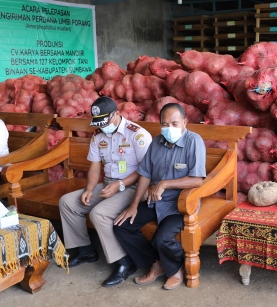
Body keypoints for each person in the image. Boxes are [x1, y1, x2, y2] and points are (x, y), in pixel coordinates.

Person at [59, 96, 153, 287]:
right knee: (67, 202)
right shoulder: (98, 135)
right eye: (99, 124)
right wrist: (89, 189)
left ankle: (125, 263)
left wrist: (120, 185)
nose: (103, 127)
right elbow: (95, 166)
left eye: (106, 122)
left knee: (99, 214)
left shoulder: (137, 134)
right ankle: (86, 251)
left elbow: (146, 169)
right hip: (109, 183)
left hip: (134, 187)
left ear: (117, 114)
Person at [113, 103, 206, 290]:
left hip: (181, 204)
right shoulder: (156, 142)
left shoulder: (194, 141)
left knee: (161, 238)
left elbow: (197, 180)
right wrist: (133, 205)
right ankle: (156, 263)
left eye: (174, 123)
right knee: (122, 226)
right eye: (165, 124)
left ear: (185, 122)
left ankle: (175, 270)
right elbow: (145, 174)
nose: (169, 128)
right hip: (155, 201)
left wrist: (165, 183)